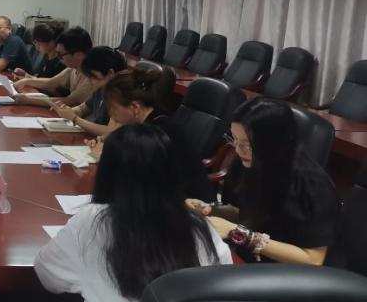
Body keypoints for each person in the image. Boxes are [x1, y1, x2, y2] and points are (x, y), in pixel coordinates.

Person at [35, 124, 231, 302]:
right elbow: (223, 301)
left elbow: (47, 276)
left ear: (107, 172)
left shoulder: (92, 223)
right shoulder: (202, 230)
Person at [187, 98, 340, 265]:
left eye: (247, 144)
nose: (238, 149)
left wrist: (240, 234)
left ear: (275, 142)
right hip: (252, 258)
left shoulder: (312, 184)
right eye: (234, 139)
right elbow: (244, 212)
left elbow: (313, 259)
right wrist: (211, 210)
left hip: (291, 272)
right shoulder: (247, 162)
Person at [103, 69, 214, 202]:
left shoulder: (157, 132)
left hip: (187, 203)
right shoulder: (152, 118)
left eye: (113, 109)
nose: (111, 115)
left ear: (135, 107)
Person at [50, 47, 128, 137]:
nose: (90, 80)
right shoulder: (101, 89)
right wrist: (66, 111)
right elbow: (82, 109)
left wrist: (75, 118)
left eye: (93, 76)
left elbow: (109, 132)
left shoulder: (123, 95)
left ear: (110, 73)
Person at [13, 27, 94, 108]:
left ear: (78, 55)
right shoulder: (72, 69)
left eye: (61, 54)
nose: (59, 58)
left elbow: (68, 101)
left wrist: (29, 100)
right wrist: (26, 80)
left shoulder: (92, 78)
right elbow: (51, 82)